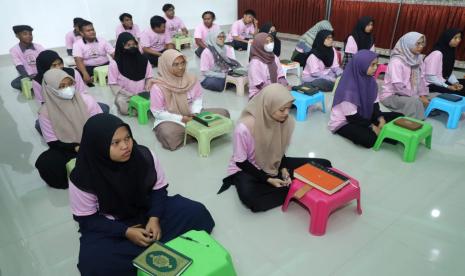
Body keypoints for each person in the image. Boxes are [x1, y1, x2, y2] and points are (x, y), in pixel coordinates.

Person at [69, 113, 215, 276]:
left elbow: (158, 189)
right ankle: (156, 243)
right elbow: (88, 219)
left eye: (127, 138)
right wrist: (125, 232)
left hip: (146, 210)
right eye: (115, 143)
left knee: (196, 213)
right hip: (114, 225)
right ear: (98, 146)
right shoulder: (83, 178)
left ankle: (144, 247)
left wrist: (154, 218)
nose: (125, 146)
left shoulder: (144, 156)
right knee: (94, 265)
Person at [218, 84, 332, 212]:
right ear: (268, 107)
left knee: (325, 165)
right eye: (282, 109)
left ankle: (290, 186)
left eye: (289, 108)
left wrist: (283, 169)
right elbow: (241, 161)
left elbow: (279, 149)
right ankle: (296, 188)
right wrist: (267, 179)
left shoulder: (285, 121)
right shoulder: (244, 128)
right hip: (248, 168)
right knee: (253, 200)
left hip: (273, 162)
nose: (286, 113)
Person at [149, 49, 230, 150]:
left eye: (183, 63)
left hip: (193, 115)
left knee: (224, 113)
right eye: (175, 64)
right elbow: (157, 112)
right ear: (166, 66)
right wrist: (181, 118)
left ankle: (194, 134)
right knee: (169, 135)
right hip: (172, 119)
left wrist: (195, 112)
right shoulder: (158, 87)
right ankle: (202, 133)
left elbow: (198, 98)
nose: (181, 67)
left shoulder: (191, 79)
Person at [35, 69, 102, 189]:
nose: (68, 89)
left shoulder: (86, 99)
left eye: (70, 84)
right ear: (50, 89)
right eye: (61, 86)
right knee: (46, 162)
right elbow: (52, 142)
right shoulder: (45, 112)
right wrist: (76, 147)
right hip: (69, 148)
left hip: (94, 141)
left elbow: (100, 124)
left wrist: (91, 143)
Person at [329, 50, 402, 148]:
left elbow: (375, 105)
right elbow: (352, 117)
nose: (375, 68)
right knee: (369, 139)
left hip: (365, 115)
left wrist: (380, 119)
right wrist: (372, 126)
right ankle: (388, 135)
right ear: (361, 65)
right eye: (372, 65)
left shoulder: (371, 81)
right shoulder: (348, 87)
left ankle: (386, 134)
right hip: (346, 121)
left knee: (399, 117)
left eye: (376, 64)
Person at [380, 32, 437, 120]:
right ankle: (412, 126)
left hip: (411, 93)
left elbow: (421, 79)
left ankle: (418, 120)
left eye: (422, 43)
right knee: (414, 102)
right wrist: (417, 97)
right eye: (418, 43)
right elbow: (398, 87)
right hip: (392, 95)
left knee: (432, 98)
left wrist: (422, 95)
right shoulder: (396, 61)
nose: (421, 46)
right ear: (408, 43)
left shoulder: (418, 59)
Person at [109, 32, 153, 115]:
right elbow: (113, 84)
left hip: (143, 92)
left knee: (159, 95)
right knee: (121, 103)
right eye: (128, 45)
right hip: (126, 95)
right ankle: (141, 109)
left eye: (134, 44)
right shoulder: (114, 64)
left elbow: (149, 77)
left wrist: (147, 88)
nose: (132, 47)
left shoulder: (144, 60)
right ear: (121, 47)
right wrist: (130, 95)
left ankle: (143, 107)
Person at [73, 20, 115, 86]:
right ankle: (93, 78)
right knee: (75, 73)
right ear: (81, 33)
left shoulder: (102, 40)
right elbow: (78, 60)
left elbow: (113, 54)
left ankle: (97, 77)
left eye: (93, 30)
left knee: (115, 66)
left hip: (105, 65)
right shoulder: (77, 44)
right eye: (88, 31)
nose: (92, 32)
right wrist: (84, 73)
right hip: (89, 68)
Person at [424, 28, 465, 96]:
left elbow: (448, 73)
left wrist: (455, 83)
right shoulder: (437, 53)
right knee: (461, 92)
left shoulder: (450, 52)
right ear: (447, 38)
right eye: (455, 38)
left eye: (459, 38)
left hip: (440, 82)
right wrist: (447, 86)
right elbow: (430, 77)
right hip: (429, 84)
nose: (458, 40)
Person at [248, 33, 287, 99]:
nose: (270, 44)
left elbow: (280, 73)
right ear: (259, 44)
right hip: (258, 93)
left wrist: (284, 84)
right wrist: (274, 91)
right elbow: (259, 84)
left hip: (274, 89)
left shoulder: (274, 57)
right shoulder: (255, 62)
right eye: (267, 42)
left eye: (271, 41)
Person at [10, 25, 44, 90]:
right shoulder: (14, 50)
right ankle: (37, 85)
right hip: (28, 75)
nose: (29, 36)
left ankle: (35, 86)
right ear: (17, 36)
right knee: (15, 84)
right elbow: (19, 65)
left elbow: (46, 58)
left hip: (41, 73)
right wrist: (27, 77)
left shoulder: (38, 47)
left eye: (30, 34)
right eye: (25, 34)